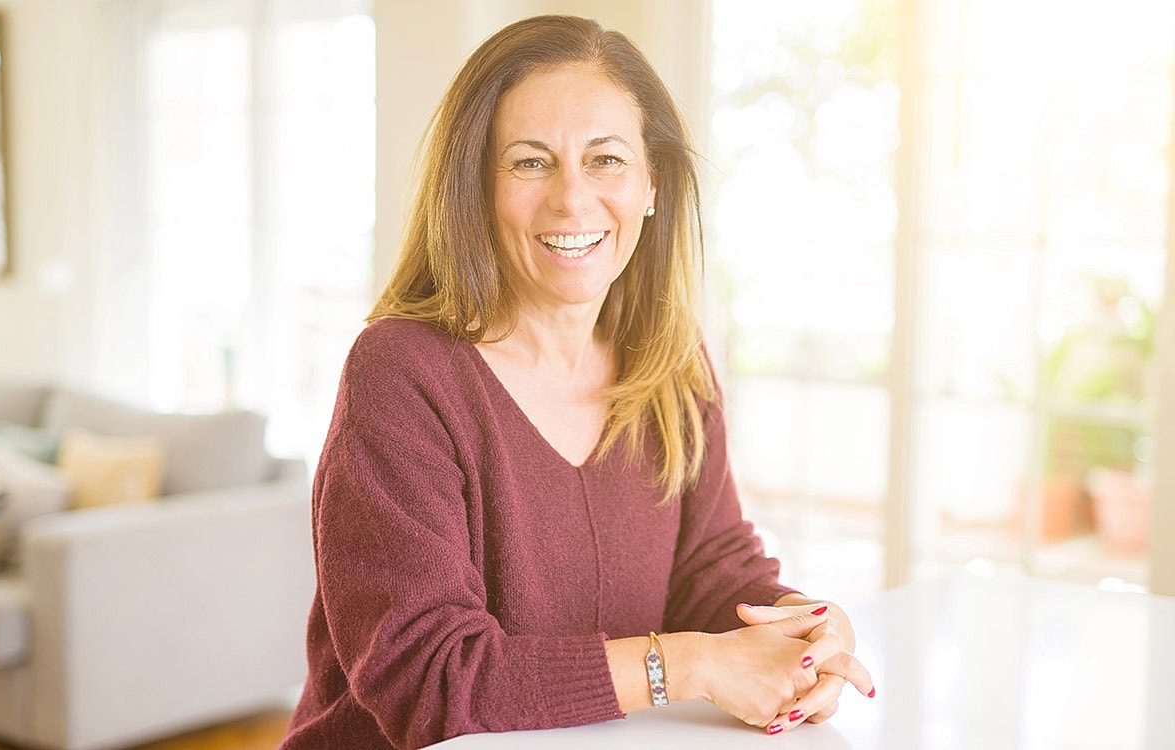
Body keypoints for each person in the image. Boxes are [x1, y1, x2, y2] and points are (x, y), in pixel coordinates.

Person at [279, 14, 874, 750]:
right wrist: (688, 663)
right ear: (476, 188)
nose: (571, 199)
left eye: (606, 160)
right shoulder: (402, 372)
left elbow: (710, 569)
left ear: (652, 183)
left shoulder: (671, 361)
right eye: (530, 162)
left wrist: (804, 628)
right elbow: (429, 680)